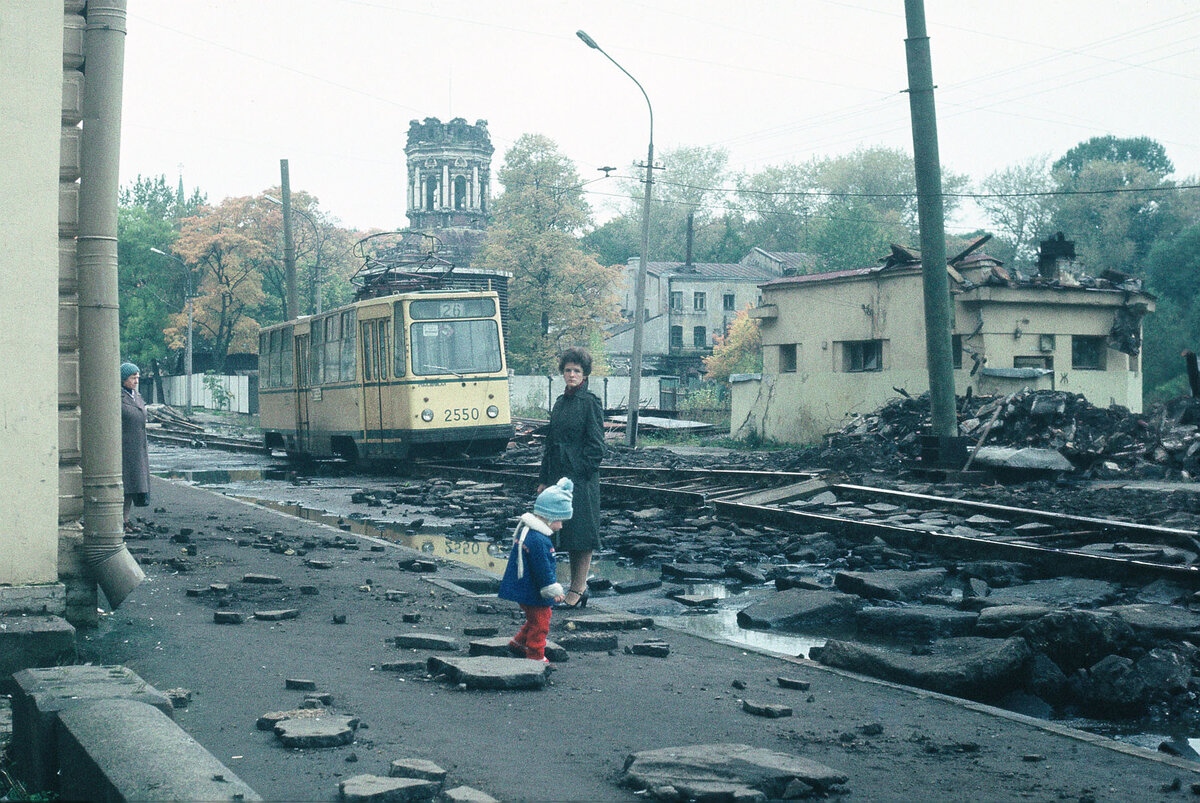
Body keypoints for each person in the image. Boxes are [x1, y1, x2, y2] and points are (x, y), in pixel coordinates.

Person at [538, 347, 605, 608]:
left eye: (577, 370)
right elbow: (550, 443)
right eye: (568, 370)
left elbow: (597, 446)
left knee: (582, 534)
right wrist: (544, 480)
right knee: (558, 533)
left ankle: (578, 588)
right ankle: (554, 586)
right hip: (557, 479)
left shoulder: (590, 403)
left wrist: (580, 473)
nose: (572, 374)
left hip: (581, 480)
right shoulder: (560, 403)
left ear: (585, 374)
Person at [498, 478, 572, 663]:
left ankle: (519, 643)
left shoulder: (529, 534)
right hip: (534, 590)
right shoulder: (539, 541)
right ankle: (535, 656)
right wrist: (552, 590)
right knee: (541, 622)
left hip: (525, 588)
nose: (561, 526)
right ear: (548, 517)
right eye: (559, 520)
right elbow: (543, 570)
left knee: (534, 618)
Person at [121, 361, 151, 531]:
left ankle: (126, 519)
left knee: (133, 486)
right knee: (124, 486)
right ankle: (119, 521)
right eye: (133, 378)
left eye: (137, 378)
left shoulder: (136, 396)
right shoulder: (118, 397)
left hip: (137, 448)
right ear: (124, 379)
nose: (136, 381)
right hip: (124, 448)